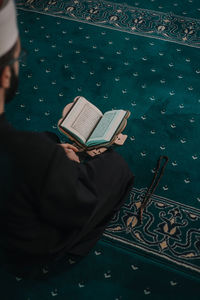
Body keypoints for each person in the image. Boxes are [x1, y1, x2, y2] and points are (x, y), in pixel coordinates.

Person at [0, 0, 134, 276]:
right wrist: (65, 165)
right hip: (30, 244)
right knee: (115, 167)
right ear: (4, 75)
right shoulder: (33, 152)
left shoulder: (32, 149)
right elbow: (75, 209)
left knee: (48, 137)